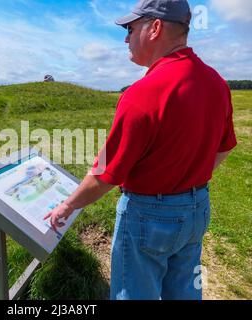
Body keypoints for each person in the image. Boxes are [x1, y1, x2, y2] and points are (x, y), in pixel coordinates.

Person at [44, 0, 237, 300]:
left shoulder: (141, 94)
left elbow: (105, 174)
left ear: (155, 28)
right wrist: (188, 181)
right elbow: (224, 147)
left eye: (130, 29)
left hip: (148, 217)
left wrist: (67, 206)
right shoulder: (216, 83)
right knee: (185, 289)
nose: (125, 38)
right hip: (197, 207)